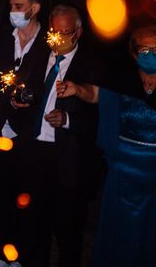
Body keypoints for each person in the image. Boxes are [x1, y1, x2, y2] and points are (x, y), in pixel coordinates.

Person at [64, 25, 156, 267]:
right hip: (124, 171)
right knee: (122, 233)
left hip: (154, 171)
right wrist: (77, 89)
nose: (151, 54)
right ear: (135, 53)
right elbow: (97, 95)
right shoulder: (125, 79)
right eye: (145, 49)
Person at [14, 5, 99, 267]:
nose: (59, 38)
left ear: (78, 32)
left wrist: (68, 119)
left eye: (65, 32)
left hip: (69, 159)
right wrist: (18, 101)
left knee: (68, 232)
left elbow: (101, 118)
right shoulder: (38, 57)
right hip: (35, 152)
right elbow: (21, 90)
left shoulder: (91, 65)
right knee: (33, 228)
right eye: (54, 31)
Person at [0, 0, 48, 266]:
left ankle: (21, 255)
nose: (13, 11)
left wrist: (29, 101)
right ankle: (0, 253)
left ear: (35, 7)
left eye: (19, 6)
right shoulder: (3, 39)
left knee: (26, 198)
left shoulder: (48, 43)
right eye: (11, 6)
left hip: (29, 134)